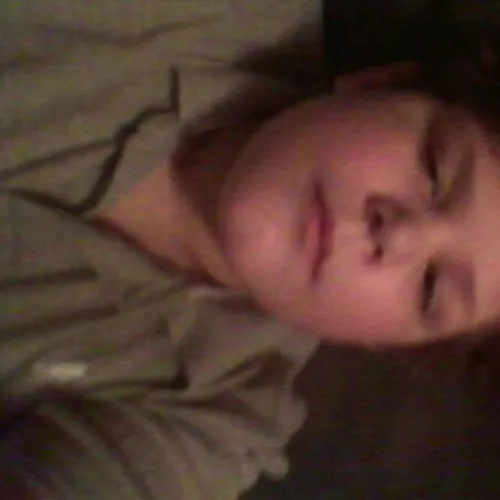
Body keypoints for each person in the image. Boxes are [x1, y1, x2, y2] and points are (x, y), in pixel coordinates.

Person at [1, 1, 500, 499]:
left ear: (383, 342)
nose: (399, 235)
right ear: (378, 83)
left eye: (430, 287)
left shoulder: (212, 423)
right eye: (434, 168)